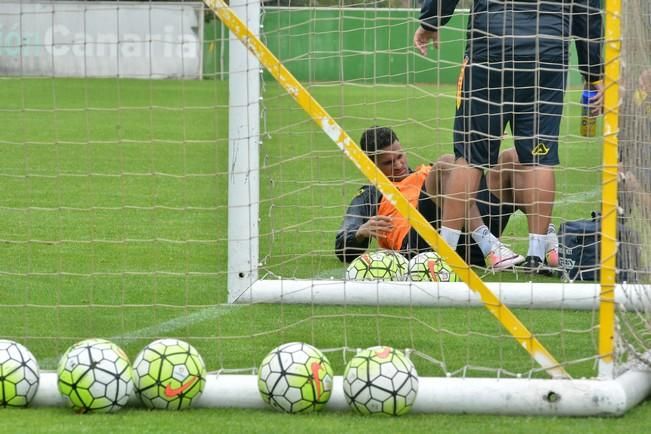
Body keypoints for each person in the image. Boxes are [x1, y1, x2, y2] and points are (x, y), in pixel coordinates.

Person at [413, 1, 604, 273]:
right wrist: (594, 72)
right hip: (547, 47)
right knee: (539, 157)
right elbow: (588, 9)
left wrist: (431, 21)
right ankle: (537, 254)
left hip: (492, 43)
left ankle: (445, 254)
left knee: (470, 157)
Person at [335, 126, 558, 270]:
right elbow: (341, 247)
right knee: (447, 164)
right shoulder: (371, 194)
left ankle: (541, 243)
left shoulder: (425, 172)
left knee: (513, 158)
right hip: (421, 247)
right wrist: (361, 232)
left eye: (399, 156)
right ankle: (490, 246)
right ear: (370, 165)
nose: (399, 164)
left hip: (465, 237)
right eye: (388, 162)